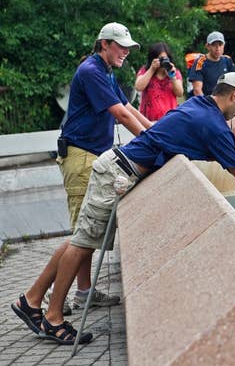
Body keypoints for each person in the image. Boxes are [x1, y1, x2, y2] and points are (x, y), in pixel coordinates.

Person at [11, 72, 235, 345]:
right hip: (117, 173)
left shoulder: (198, 105)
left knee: (80, 239)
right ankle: (51, 317)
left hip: (115, 167)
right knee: (84, 244)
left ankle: (32, 299)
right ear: (234, 95)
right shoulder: (212, 124)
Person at [36, 23, 153, 319]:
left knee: (86, 233)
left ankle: (85, 292)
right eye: (121, 46)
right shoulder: (91, 71)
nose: (126, 51)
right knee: (81, 235)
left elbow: (128, 105)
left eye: (128, 47)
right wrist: (153, 143)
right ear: (104, 44)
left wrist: (156, 132)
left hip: (92, 156)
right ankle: (42, 297)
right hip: (81, 157)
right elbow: (122, 115)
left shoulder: (105, 72)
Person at [134, 42, 184, 120]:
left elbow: (180, 93)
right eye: (160, 59)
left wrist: (172, 76)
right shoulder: (145, 70)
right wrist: (152, 69)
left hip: (169, 119)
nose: (162, 62)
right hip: (147, 120)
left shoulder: (174, 72)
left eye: (165, 59)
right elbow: (138, 87)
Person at [187, 31, 235, 97]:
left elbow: (233, 84)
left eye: (220, 44)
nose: (217, 48)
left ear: (224, 45)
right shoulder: (200, 62)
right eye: (214, 45)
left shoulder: (227, 60)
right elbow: (197, 90)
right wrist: (207, 105)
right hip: (206, 101)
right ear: (207, 46)